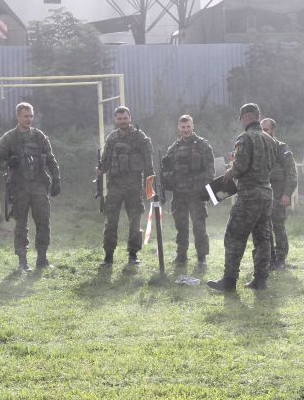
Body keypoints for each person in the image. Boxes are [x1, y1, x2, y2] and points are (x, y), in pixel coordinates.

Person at [207, 103, 277, 292]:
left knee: (234, 236)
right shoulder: (270, 140)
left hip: (249, 195)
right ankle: (260, 280)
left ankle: (229, 281)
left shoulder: (244, 138)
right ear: (258, 116)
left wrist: (230, 170)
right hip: (266, 193)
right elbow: (270, 165)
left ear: (245, 117)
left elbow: (240, 166)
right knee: (263, 238)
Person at [0, 102, 61, 272]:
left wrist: (56, 178)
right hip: (19, 187)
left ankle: (42, 259)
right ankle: (22, 261)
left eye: (31, 116)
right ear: (17, 117)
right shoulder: (9, 138)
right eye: (26, 116)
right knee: (21, 225)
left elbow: (50, 159)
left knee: (43, 222)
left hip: (39, 185)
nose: (29, 119)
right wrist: (9, 163)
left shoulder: (39, 136)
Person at [96, 106, 154, 266]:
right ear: (116, 120)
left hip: (134, 187)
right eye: (119, 119)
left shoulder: (140, 137)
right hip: (114, 187)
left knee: (135, 222)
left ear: (130, 118)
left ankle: (133, 255)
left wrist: (149, 188)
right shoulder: (112, 138)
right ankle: (108, 256)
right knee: (111, 222)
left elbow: (149, 165)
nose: (122, 121)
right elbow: (105, 162)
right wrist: (100, 170)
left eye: (125, 118)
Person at [162, 114, 215, 272]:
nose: (186, 130)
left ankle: (202, 258)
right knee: (181, 227)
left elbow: (210, 170)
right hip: (179, 195)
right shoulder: (173, 149)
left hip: (197, 194)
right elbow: (166, 171)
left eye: (188, 127)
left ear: (193, 126)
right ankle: (181, 256)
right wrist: (171, 178)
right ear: (178, 128)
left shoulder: (203, 145)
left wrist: (201, 186)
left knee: (199, 227)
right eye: (183, 127)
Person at [261, 118, 298, 270]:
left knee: (278, 226)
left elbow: (292, 174)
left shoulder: (281, 148)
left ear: (272, 130)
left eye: (266, 130)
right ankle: (269, 258)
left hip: (278, 195)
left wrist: (287, 194)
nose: (263, 132)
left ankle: (281, 259)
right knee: (264, 228)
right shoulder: (257, 149)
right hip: (262, 195)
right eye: (261, 130)